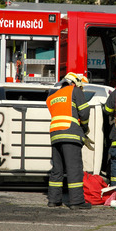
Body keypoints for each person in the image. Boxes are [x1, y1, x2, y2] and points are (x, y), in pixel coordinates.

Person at [46, 72, 91, 209]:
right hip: (70, 133)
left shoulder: (52, 97)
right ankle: (77, 202)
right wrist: (84, 126)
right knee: (74, 169)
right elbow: (84, 112)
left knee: (57, 170)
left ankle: (54, 200)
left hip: (55, 134)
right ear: (74, 83)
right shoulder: (74, 91)